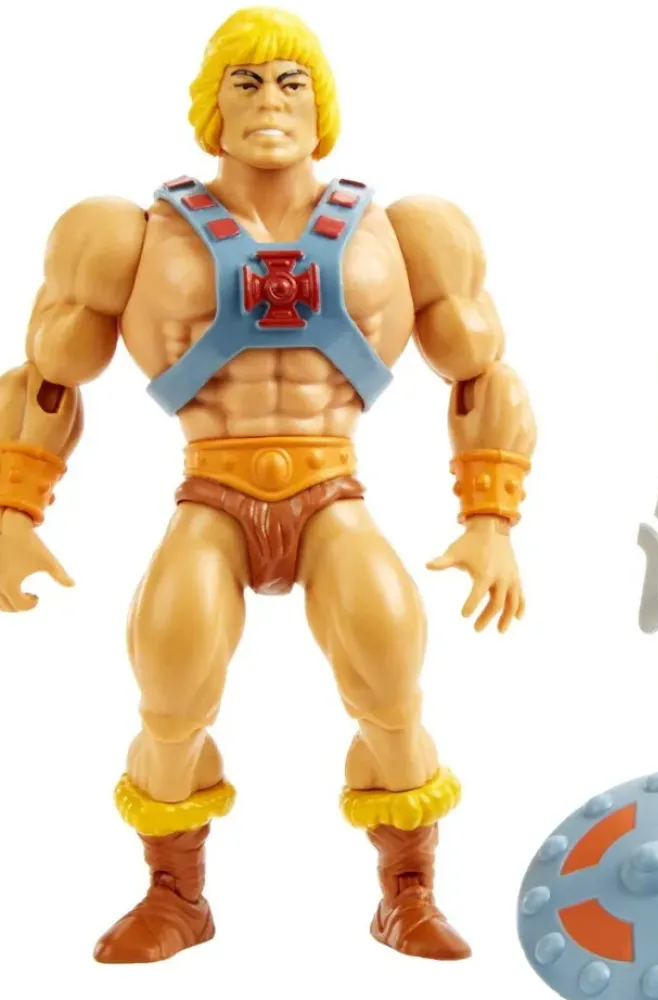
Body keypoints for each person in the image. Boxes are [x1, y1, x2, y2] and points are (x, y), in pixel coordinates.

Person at [0, 6, 535, 964]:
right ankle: (175, 895)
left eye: (292, 83)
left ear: (322, 107)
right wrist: (14, 506)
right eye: (244, 84)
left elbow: (480, 374)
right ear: (212, 108)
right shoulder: (129, 233)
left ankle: (408, 888)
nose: (270, 102)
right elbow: (48, 376)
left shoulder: (403, 232)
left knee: (391, 683)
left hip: (333, 488)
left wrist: (490, 516)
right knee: (170, 692)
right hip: (211, 486)